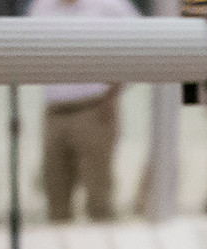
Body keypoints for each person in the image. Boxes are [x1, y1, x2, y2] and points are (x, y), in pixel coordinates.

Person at [26, 0, 138, 224]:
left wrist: (113, 93)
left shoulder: (111, 6)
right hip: (55, 112)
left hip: (95, 109)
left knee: (99, 200)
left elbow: (140, 47)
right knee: (55, 199)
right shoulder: (41, 7)